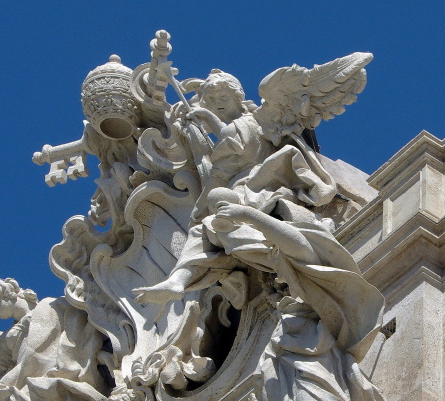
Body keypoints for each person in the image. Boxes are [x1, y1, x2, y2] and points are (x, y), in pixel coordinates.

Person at [210, 194, 418, 401]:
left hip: (315, 356)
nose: (276, 281)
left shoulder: (311, 281)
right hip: (284, 364)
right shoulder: (282, 314)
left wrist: (247, 215)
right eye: (271, 279)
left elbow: (298, 246)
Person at [134, 70, 336, 305]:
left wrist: (208, 118)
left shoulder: (258, 121)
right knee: (203, 227)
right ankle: (178, 280)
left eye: (223, 97)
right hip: (237, 188)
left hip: (261, 183)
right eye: (212, 100)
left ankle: (275, 254)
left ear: (237, 96)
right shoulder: (229, 135)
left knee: (223, 219)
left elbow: (238, 140)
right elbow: (220, 170)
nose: (218, 103)